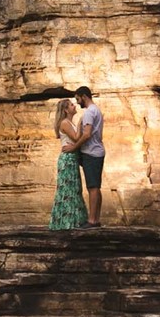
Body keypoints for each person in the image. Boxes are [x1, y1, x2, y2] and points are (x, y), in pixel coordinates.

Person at [62, 85, 104, 226]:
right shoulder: (95, 110)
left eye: (78, 99)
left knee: (92, 188)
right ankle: (96, 219)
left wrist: (74, 146)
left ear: (84, 97)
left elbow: (86, 134)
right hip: (97, 151)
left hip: (91, 153)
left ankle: (92, 220)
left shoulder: (89, 112)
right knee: (96, 187)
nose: (77, 102)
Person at [48, 98, 89, 230]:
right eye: (71, 105)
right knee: (68, 190)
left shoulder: (68, 122)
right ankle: (65, 223)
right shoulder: (65, 123)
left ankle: (72, 221)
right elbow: (77, 138)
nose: (74, 105)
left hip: (72, 159)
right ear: (66, 110)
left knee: (74, 189)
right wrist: (81, 122)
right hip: (68, 159)